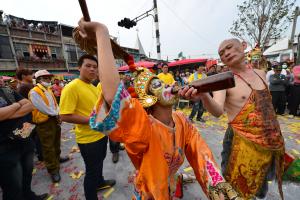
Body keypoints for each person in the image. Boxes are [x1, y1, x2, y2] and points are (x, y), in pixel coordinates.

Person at [76, 18, 242, 200]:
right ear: (148, 98)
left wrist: (220, 189)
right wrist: (101, 32)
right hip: (150, 193)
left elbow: (202, 156)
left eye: (165, 82)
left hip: (169, 185)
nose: (167, 86)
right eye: (158, 84)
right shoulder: (143, 126)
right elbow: (112, 95)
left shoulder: (182, 120)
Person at [180, 38, 285, 199]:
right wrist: (204, 96)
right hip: (239, 142)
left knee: (260, 187)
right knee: (234, 188)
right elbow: (217, 111)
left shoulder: (262, 73)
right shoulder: (224, 81)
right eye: (221, 53)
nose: (226, 53)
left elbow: (266, 107)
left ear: (243, 47)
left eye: (229, 48)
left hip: (269, 141)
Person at [59, 54, 116, 200]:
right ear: (79, 67)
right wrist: (93, 121)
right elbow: (64, 115)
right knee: (92, 170)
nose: (92, 69)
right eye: (88, 66)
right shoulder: (71, 87)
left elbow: (97, 108)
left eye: (95, 67)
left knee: (100, 161)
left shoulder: (93, 86)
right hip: (88, 139)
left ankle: (100, 182)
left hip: (101, 134)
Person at [0, 76, 48, 200]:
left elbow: (29, 106)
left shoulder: (7, 91)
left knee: (27, 175)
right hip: (4, 148)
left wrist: (8, 112)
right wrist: (17, 105)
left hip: (24, 138)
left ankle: (29, 196)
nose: (1, 79)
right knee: (12, 185)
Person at [29, 70, 69, 183]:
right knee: (48, 146)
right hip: (44, 122)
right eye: (44, 78)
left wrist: (58, 114)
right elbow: (43, 108)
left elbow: (54, 104)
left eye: (48, 77)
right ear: (38, 79)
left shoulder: (47, 89)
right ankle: (53, 169)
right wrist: (56, 114)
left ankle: (57, 159)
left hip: (53, 118)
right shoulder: (34, 91)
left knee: (56, 141)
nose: (48, 79)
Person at [16, 68, 43, 162]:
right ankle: (40, 155)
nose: (32, 76)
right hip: (29, 117)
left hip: (32, 116)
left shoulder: (28, 85)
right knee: (33, 137)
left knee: (36, 137)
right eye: (30, 74)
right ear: (23, 76)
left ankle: (39, 154)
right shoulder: (23, 87)